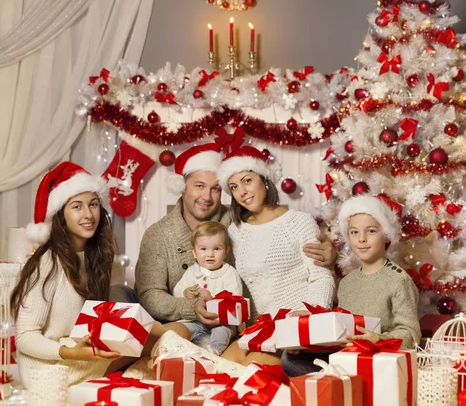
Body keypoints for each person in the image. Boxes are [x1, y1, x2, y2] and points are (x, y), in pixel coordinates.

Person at [134, 139, 337, 334]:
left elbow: (279, 233)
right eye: (199, 186)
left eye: (215, 189)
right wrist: (191, 307)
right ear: (182, 186)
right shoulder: (158, 234)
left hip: (234, 325)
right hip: (183, 322)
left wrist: (330, 255)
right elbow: (149, 295)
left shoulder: (234, 220)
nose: (206, 197)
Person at [10, 161, 166, 387]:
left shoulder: (93, 257)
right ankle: (215, 369)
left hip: (80, 352)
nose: (88, 214)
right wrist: (72, 352)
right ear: (60, 215)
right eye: (76, 206)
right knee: (156, 338)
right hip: (50, 368)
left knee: (159, 332)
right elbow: (24, 337)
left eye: (93, 204)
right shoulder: (47, 263)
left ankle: (208, 368)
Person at [215, 145, 336, 365]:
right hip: (257, 328)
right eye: (233, 186)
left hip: (292, 324)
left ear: (264, 179)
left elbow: (321, 276)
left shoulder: (299, 222)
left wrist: (309, 320)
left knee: (250, 375)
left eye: (247, 180)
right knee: (219, 370)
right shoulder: (235, 230)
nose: (242, 191)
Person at [281, 194, 421, 376]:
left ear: (385, 234)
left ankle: (339, 383)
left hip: (376, 358)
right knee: (290, 358)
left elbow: (410, 333)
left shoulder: (398, 280)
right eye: (354, 232)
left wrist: (377, 339)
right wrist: (311, 331)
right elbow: (341, 325)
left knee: (352, 368)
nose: (361, 239)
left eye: (371, 231)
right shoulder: (347, 282)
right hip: (345, 355)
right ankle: (336, 383)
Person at [172, 221, 242, 354]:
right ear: (194, 252)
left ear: (226, 251)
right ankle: (183, 348)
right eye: (203, 249)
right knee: (184, 328)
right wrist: (186, 292)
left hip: (221, 321)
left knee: (222, 331)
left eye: (217, 249)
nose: (210, 254)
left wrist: (212, 297)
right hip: (196, 321)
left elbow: (235, 298)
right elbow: (177, 290)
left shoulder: (229, 273)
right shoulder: (192, 272)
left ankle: (214, 351)